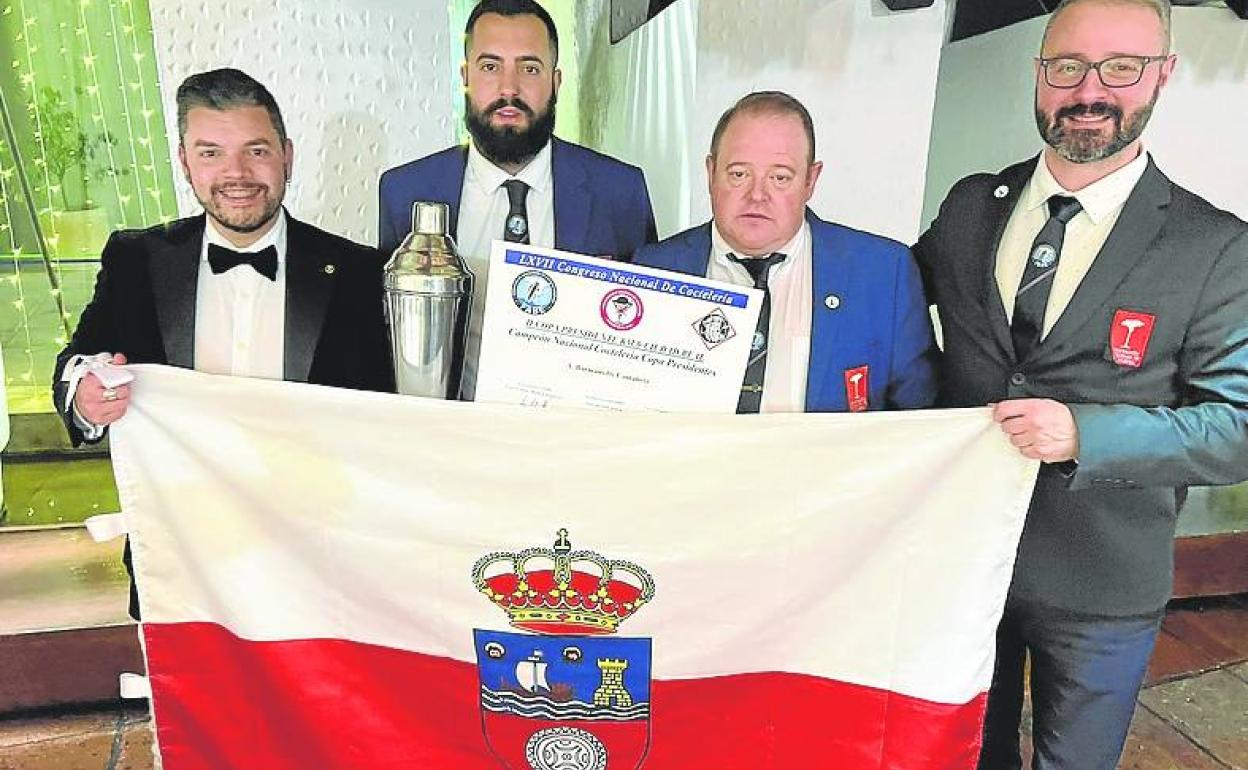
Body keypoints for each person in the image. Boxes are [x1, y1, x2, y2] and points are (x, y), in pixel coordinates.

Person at [913, 1, 1248, 767]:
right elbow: (885, 306)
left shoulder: (1216, 246)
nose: (1089, 89)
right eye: (1067, 66)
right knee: (963, 755)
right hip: (962, 561)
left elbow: (1238, 427)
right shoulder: (971, 206)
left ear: (1162, 75)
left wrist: (1083, 432)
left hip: (1102, 584)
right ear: (1039, 73)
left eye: (1121, 67)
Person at [52, 68, 394, 615]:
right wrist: (85, 396)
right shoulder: (135, 260)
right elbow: (76, 363)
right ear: (185, 161)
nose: (236, 173)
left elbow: (386, 421)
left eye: (256, 150)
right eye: (211, 153)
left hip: (318, 569)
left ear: (286, 154)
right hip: (180, 562)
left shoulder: (359, 272)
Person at [378, 0, 657, 400]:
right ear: (466, 76)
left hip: (574, 442)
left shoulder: (620, 190)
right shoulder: (405, 192)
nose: (509, 89)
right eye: (490, 67)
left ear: (556, 82)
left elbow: (643, 333)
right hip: (448, 440)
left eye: (529, 68)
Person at [634, 91, 936, 413]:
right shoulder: (652, 270)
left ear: (810, 180)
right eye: (739, 174)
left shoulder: (882, 274)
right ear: (710, 173)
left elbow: (922, 420)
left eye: (780, 177)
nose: (757, 195)